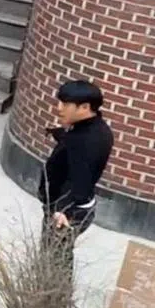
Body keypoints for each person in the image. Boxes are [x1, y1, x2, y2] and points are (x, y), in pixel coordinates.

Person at [39, 80, 114, 244]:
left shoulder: (89, 141)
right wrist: (61, 134)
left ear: (85, 107)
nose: (59, 108)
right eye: (59, 102)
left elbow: (81, 179)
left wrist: (62, 210)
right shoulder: (90, 128)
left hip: (68, 212)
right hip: (66, 205)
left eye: (65, 104)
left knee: (53, 256)